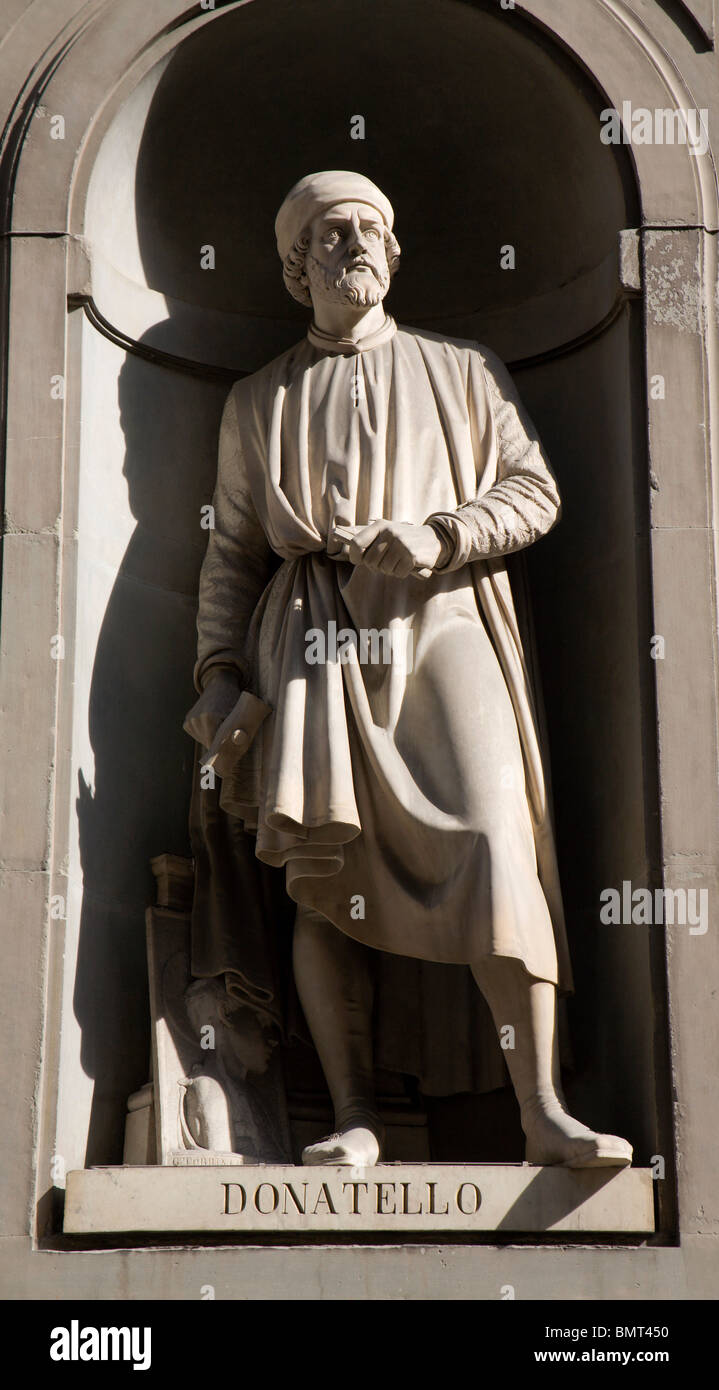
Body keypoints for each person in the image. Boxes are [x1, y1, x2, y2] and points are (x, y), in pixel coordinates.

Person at [184, 170, 632, 1169]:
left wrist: (442, 532)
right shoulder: (257, 400)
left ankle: (539, 1109)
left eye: (369, 228)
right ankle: (352, 1116)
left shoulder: (461, 370)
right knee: (320, 870)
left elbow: (533, 491)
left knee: (491, 840)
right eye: (330, 233)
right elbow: (230, 551)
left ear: (393, 250)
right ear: (298, 267)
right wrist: (216, 667)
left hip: (442, 619)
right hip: (309, 630)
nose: (354, 243)